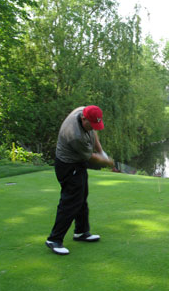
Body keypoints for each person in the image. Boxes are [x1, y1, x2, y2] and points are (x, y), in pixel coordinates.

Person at [46, 105, 114, 255]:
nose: (93, 128)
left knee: (82, 196)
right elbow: (90, 158)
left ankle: (81, 232)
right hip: (68, 166)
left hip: (77, 163)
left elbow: (93, 131)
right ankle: (54, 239)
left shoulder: (83, 111)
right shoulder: (76, 135)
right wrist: (107, 161)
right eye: (91, 124)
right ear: (84, 119)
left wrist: (102, 151)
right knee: (71, 201)